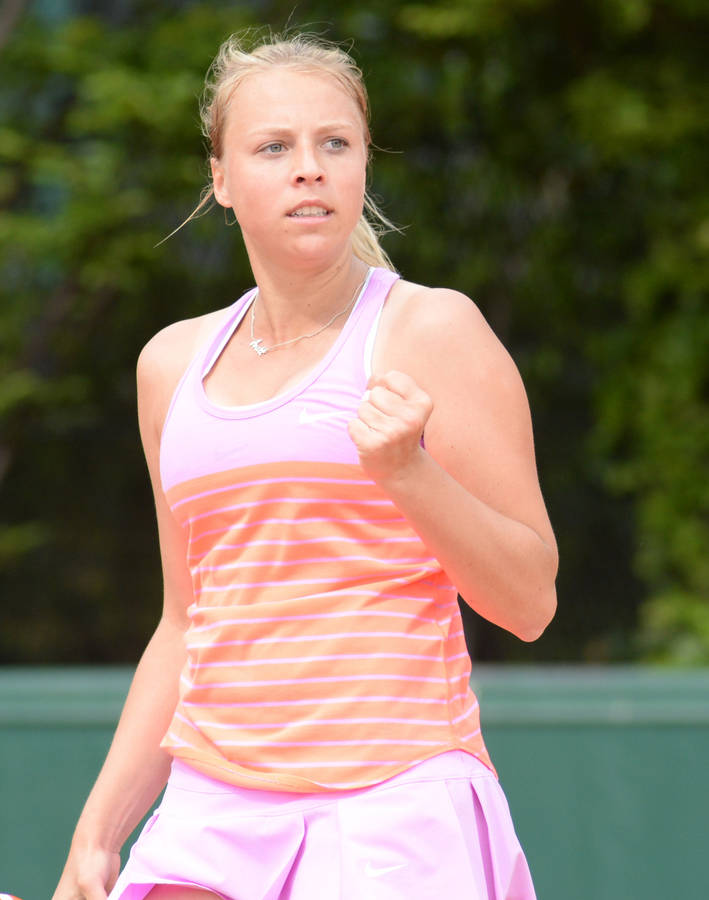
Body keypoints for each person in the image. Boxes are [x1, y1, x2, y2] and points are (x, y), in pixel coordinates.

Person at [52, 30, 558, 900]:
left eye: (335, 143)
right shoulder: (170, 365)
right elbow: (187, 622)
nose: (308, 168)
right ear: (220, 179)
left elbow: (529, 602)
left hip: (396, 816)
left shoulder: (433, 330)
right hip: (207, 820)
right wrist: (97, 834)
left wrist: (410, 475)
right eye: (273, 147)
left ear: (363, 165)